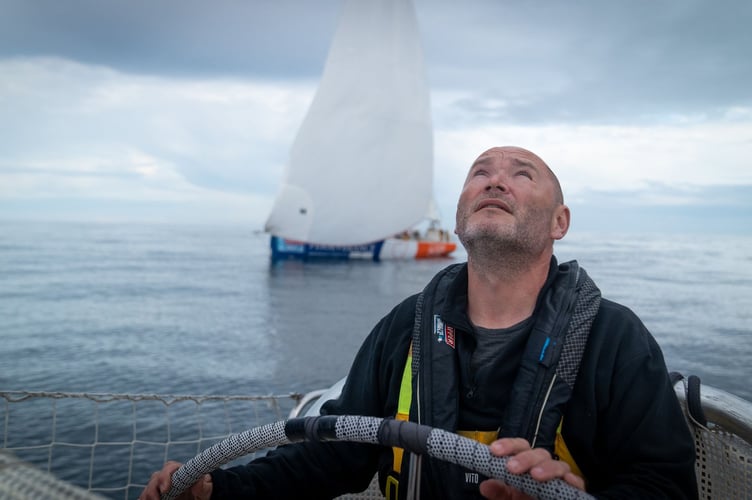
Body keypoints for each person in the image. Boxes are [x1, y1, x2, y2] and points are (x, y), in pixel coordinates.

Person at [142, 146, 697, 499]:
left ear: (560, 222)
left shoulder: (616, 340)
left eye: (520, 175)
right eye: (480, 172)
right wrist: (223, 488)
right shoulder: (403, 327)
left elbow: (665, 486)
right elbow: (332, 453)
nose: (494, 181)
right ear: (459, 217)